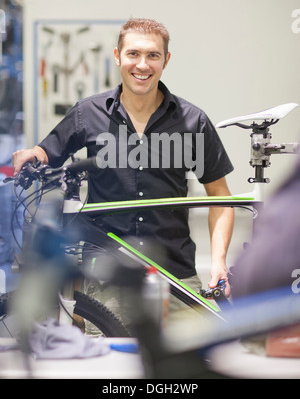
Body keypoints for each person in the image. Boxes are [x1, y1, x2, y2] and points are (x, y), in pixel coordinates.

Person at [13, 18, 234, 324]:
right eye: (133, 54)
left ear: (166, 60)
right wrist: (32, 153)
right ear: (117, 55)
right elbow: (47, 152)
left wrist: (219, 262)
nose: (142, 65)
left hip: (176, 276)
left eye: (153, 55)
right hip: (107, 279)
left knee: (192, 367)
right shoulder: (87, 114)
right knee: (109, 366)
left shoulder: (192, 121)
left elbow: (220, 197)